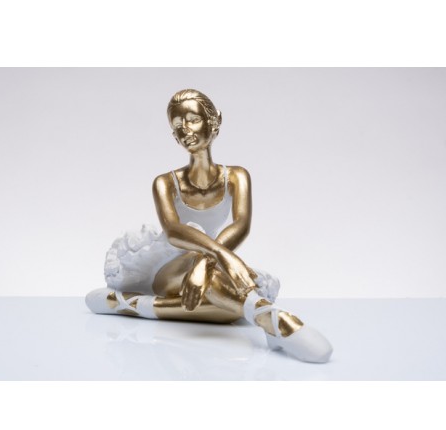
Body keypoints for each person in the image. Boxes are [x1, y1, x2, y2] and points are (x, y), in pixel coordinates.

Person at [86, 89, 333, 363]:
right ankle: (273, 317)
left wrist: (205, 263)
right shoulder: (165, 182)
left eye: (193, 120)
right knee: (224, 286)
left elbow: (241, 224)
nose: (185, 130)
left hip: (210, 269)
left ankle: (129, 305)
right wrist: (221, 256)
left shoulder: (237, 176)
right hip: (170, 268)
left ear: (214, 121)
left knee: (228, 310)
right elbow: (173, 231)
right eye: (177, 125)